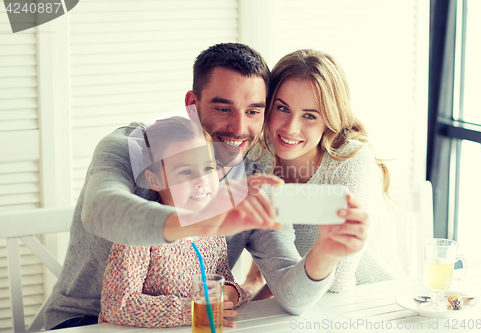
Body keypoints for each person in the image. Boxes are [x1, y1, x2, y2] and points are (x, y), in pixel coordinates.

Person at [45, 43, 369, 330]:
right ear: (191, 103)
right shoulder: (137, 145)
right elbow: (102, 210)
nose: (239, 128)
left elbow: (291, 296)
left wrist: (324, 255)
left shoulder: (251, 181)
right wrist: (204, 220)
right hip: (81, 321)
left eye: (254, 111)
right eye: (223, 108)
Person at [243, 49, 406, 299]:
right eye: (282, 108)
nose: (290, 128)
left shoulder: (351, 161)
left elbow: (337, 280)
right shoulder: (259, 157)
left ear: (329, 119)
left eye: (309, 115)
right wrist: (253, 285)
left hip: (373, 299)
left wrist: (266, 294)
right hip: (306, 299)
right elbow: (270, 233)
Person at [99, 117, 246, 328]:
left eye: (208, 168)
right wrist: (194, 311)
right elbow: (118, 305)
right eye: (186, 172)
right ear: (155, 180)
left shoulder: (212, 231)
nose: (202, 181)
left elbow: (222, 280)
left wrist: (230, 292)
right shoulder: (139, 233)